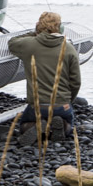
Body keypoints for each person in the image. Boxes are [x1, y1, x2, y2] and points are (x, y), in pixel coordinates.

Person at [8, 11, 81, 145]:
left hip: (37, 105)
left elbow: (12, 42)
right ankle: (62, 127)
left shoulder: (29, 45)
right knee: (70, 128)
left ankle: (35, 127)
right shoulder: (69, 48)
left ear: (38, 26)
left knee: (23, 126)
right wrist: (68, 100)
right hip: (61, 104)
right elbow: (76, 81)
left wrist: (35, 33)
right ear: (60, 27)